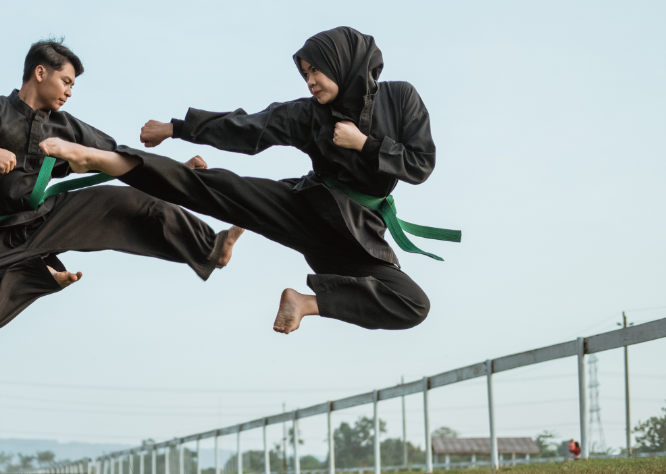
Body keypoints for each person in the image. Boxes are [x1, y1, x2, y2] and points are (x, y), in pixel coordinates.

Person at [41, 27, 457, 334]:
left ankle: (307, 303)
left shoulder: (401, 98)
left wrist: (364, 143)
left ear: (342, 64)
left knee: (413, 304)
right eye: (305, 74)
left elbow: (421, 164)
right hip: (310, 207)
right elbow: (249, 128)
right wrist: (177, 128)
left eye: (316, 72)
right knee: (218, 188)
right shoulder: (309, 114)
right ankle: (105, 160)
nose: (309, 82)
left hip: (358, 234)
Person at [0, 39, 244, 338]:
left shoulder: (66, 127)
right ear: (40, 72)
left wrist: (175, 170)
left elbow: (117, 156)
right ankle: (37, 275)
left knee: (132, 202)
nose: (70, 92)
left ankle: (214, 247)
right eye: (67, 81)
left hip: (48, 217)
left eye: (72, 85)